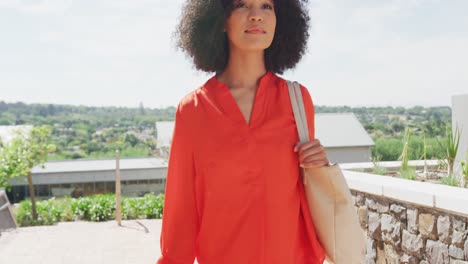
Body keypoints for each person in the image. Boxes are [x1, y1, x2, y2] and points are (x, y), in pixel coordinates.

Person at [157, 0, 332, 263]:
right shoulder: (193, 110)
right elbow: (181, 209)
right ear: (220, 19)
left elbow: (303, 190)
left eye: (266, 6)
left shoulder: (297, 99)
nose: (256, 16)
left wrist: (318, 163)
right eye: (242, 5)